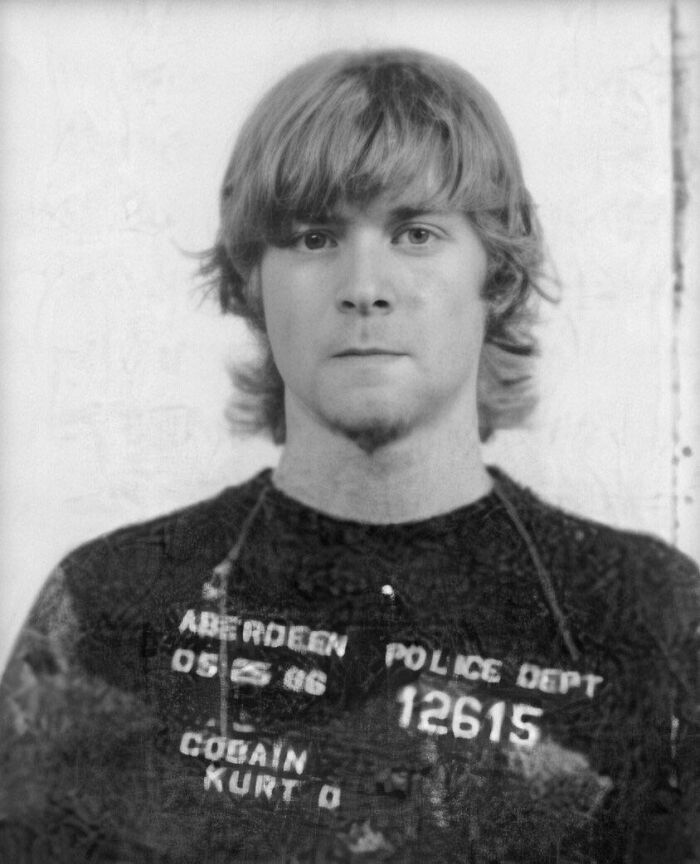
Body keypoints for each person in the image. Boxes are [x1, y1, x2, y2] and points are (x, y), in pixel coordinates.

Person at [0, 47, 698, 864]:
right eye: (315, 236)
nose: (365, 285)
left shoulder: (645, 616)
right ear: (250, 280)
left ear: (499, 275)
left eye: (417, 233)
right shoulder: (112, 607)